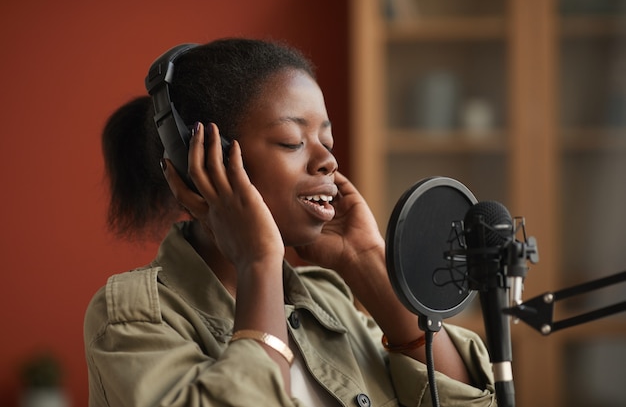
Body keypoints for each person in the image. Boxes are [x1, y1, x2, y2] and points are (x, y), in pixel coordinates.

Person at [84, 38, 496, 407]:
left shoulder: (329, 301)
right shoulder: (135, 316)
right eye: (292, 142)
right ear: (205, 164)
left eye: (327, 142)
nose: (328, 161)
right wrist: (258, 263)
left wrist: (367, 260)